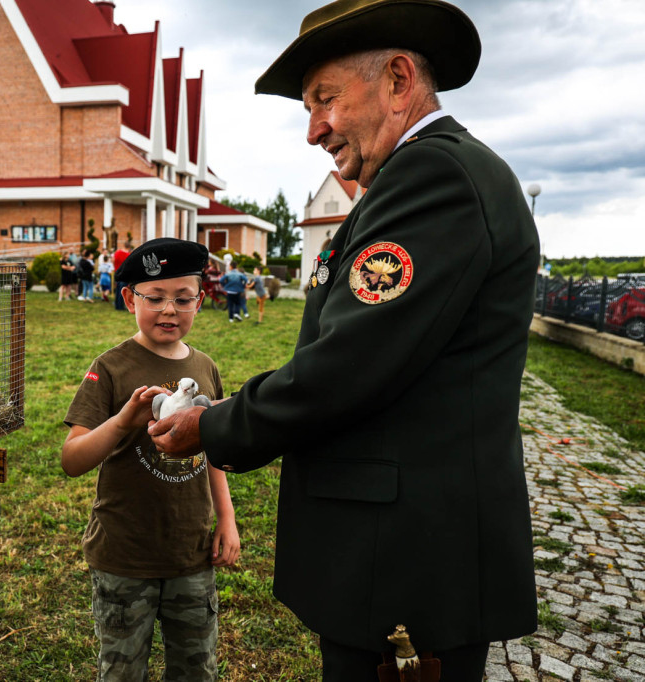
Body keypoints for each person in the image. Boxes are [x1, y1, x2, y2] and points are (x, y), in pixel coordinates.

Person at [147, 1, 539, 680]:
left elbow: (349, 365)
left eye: (324, 99)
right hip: (399, 554)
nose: (313, 130)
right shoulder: (421, 177)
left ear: (396, 79)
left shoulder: (433, 176)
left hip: (405, 564)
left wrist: (215, 426)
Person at [62, 238, 240, 681]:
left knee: (196, 669)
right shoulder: (110, 368)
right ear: (128, 298)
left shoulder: (205, 367)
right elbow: (72, 459)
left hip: (191, 554)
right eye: (155, 298)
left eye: (183, 299)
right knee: (123, 672)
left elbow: (213, 448)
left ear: (200, 300)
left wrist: (227, 517)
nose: (169, 311)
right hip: (125, 556)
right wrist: (123, 422)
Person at [112, 240, 132, 311]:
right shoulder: (128, 255)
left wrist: (115, 267)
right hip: (124, 274)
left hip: (117, 272)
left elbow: (113, 260)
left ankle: (117, 305)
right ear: (129, 247)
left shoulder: (117, 252)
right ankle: (120, 306)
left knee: (117, 290)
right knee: (122, 291)